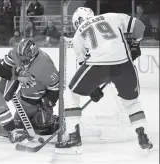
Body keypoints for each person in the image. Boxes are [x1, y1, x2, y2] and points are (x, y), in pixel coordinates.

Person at [55, 7, 153, 154]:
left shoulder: (78, 34)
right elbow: (140, 26)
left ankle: (74, 138)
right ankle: (143, 136)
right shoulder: (112, 16)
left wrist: (93, 87)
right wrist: (134, 45)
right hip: (124, 64)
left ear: (78, 21)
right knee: (131, 102)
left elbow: (85, 64)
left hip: (97, 65)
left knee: (71, 93)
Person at [0, 39, 60, 137]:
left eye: (25, 59)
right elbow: (6, 69)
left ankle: (47, 116)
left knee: (42, 127)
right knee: (16, 127)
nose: (22, 62)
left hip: (39, 98)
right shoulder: (15, 52)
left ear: (33, 54)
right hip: (24, 99)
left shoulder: (44, 65)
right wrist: (17, 75)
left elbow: (55, 87)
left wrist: (46, 103)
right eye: (20, 58)